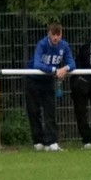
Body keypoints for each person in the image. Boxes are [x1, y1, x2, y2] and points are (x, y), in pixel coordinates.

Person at [24, 22, 76, 151]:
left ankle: (51, 142)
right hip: (33, 80)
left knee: (50, 111)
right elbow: (37, 64)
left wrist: (65, 68)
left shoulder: (64, 46)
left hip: (48, 81)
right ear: (49, 34)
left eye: (58, 34)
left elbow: (72, 63)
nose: (56, 38)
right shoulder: (42, 44)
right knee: (34, 111)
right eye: (53, 34)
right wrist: (54, 70)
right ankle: (38, 141)